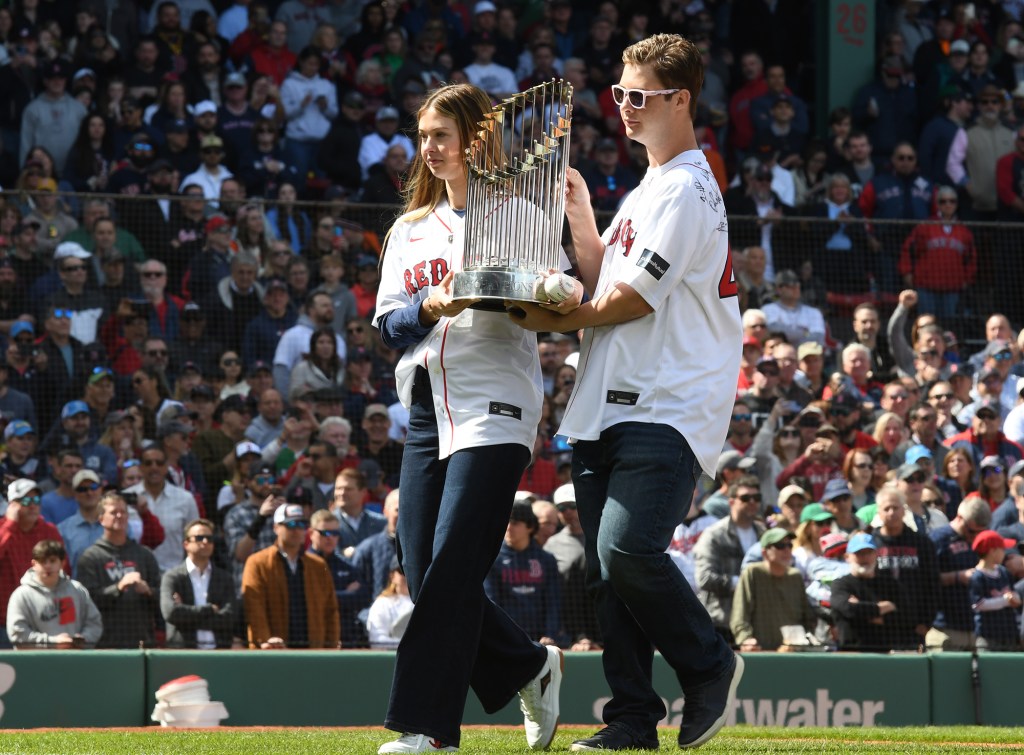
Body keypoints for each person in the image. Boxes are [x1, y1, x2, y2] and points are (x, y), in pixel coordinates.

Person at [508, 35, 744, 751]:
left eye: (638, 96)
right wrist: (581, 218)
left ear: (681, 100)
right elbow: (604, 273)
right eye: (619, 94)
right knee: (610, 577)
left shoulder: (689, 186)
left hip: (666, 401)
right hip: (608, 401)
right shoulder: (651, 187)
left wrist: (552, 317)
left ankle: (709, 661)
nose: (624, 108)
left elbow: (631, 299)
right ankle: (632, 720)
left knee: (628, 550)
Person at [371, 82, 566, 754]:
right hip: (426, 405)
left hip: (497, 402)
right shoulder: (410, 228)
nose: (430, 147)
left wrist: (527, 291)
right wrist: (429, 306)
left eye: (442, 134)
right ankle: (528, 664)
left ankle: (427, 727)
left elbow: (558, 299)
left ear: (478, 138)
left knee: (453, 563)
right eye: (423, 134)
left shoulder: (520, 213)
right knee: (423, 567)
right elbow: (389, 324)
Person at [240, 502, 339, 649]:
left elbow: (331, 611)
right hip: (273, 654)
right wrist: (265, 641)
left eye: (301, 525)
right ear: (276, 528)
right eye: (290, 524)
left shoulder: (318, 565)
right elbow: (254, 608)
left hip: (313, 654)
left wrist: (330, 648)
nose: (296, 530)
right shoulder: (257, 563)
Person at [76, 492, 161, 648]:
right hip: (106, 643)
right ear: (101, 519)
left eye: (123, 512)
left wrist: (148, 590)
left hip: (142, 641)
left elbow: (162, 596)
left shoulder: (143, 554)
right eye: (114, 512)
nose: (120, 516)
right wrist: (118, 588)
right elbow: (87, 602)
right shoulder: (90, 558)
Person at [6, 539, 103, 649]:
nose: (47, 566)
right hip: (36, 662)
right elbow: (17, 633)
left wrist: (81, 640)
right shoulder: (21, 595)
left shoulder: (77, 590)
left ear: (62, 563)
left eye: (52, 561)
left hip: (75, 659)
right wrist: (53, 642)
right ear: (34, 564)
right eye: (43, 561)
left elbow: (94, 623)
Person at [730, 528, 815, 651]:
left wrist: (803, 641)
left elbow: (807, 616)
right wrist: (746, 639)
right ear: (765, 552)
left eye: (789, 545)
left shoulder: (795, 576)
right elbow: (740, 613)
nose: (786, 550)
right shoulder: (752, 573)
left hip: (793, 654)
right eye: (780, 545)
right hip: (761, 653)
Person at [159, 518, 236, 649]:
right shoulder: (172, 577)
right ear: (186, 544)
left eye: (209, 538)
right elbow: (171, 613)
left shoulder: (225, 578)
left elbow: (229, 618)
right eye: (199, 538)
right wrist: (210, 609)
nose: (205, 542)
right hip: (183, 655)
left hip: (219, 654)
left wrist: (186, 616)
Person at [830, 532, 914, 652]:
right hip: (852, 653)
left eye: (868, 552)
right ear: (847, 557)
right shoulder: (841, 585)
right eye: (859, 553)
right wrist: (885, 607)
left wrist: (861, 610)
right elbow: (847, 609)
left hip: (886, 653)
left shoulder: (890, 584)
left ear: (876, 554)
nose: (864, 557)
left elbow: (906, 617)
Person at [968, 529, 1021, 651]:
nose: (1005, 552)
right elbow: (978, 604)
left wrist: (1015, 599)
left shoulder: (1003, 572)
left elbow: (1014, 595)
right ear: (992, 551)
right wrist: (1005, 600)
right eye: (1002, 549)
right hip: (988, 637)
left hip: (1008, 633)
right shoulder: (977, 576)